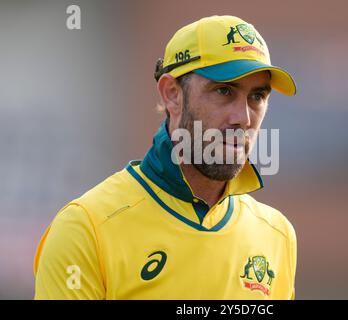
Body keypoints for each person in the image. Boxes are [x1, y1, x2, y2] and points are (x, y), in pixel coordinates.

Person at [34, 15, 298, 300]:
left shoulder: (277, 234)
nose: (243, 118)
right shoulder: (85, 229)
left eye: (257, 97)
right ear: (172, 94)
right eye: (224, 91)